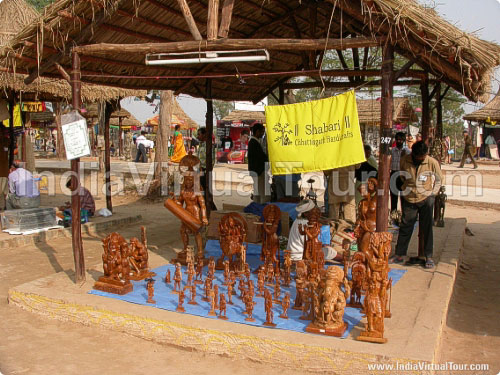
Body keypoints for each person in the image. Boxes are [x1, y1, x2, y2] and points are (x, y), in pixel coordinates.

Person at [390, 141, 443, 269]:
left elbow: (439, 179)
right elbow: (401, 174)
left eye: (422, 156)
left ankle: (428, 256)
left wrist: (432, 194)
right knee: (405, 226)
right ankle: (400, 254)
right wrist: (404, 187)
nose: (420, 158)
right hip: (409, 197)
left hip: (426, 198)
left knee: (427, 228)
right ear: (413, 154)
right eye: (418, 156)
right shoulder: (405, 160)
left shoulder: (432, 162)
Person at [248, 123, 269, 204]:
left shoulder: (254, 142)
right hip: (258, 172)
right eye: (262, 132)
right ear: (257, 132)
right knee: (263, 193)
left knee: (257, 193)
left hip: (256, 171)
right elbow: (259, 158)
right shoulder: (254, 143)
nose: (263, 134)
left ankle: (257, 208)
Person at [390, 132, 411, 214]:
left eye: (401, 140)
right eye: (398, 140)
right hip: (393, 173)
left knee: (403, 196)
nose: (399, 142)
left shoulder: (407, 151)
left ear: (404, 141)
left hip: (403, 175)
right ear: (395, 140)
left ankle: (404, 213)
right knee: (393, 195)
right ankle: (393, 213)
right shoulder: (392, 150)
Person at [196, 127, 217, 210]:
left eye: (199, 134)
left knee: (205, 191)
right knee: (200, 190)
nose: (197, 136)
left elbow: (211, 161)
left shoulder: (209, 145)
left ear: (204, 135)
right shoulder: (200, 145)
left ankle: (211, 209)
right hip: (199, 170)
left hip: (205, 171)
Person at [0, 124, 9, 210]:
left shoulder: (5, 141)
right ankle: (4, 206)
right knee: (4, 191)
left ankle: (3, 206)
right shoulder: (6, 141)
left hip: (3, 170)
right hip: (4, 170)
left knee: (3, 190)